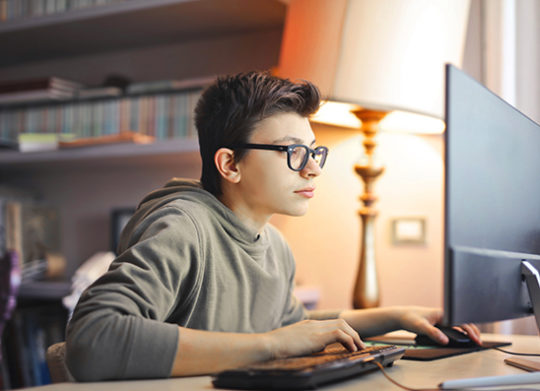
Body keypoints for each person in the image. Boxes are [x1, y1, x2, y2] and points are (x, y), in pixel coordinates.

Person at [65, 71, 481, 382]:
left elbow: (300, 329)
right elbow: (94, 337)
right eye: (294, 152)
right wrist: (272, 345)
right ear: (230, 164)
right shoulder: (183, 227)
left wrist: (397, 317)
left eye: (314, 151)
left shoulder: (274, 244)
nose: (314, 168)